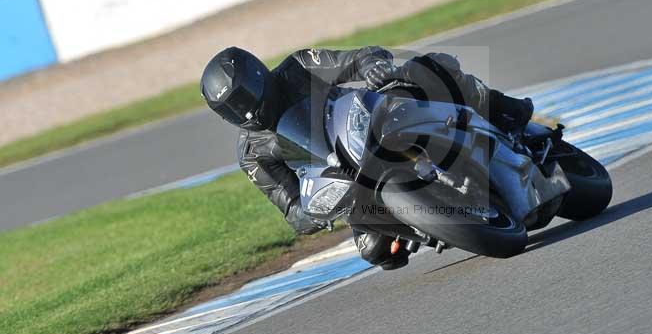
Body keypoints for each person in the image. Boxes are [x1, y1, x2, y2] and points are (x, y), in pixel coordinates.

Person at [200, 46, 533, 270]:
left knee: (428, 68)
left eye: (243, 97)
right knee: (376, 252)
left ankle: (504, 111)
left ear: (258, 76)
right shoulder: (252, 156)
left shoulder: (297, 68)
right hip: (343, 180)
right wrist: (313, 214)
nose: (244, 109)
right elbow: (291, 209)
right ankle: (433, 223)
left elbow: (360, 57)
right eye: (231, 107)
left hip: (369, 122)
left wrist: (374, 67)